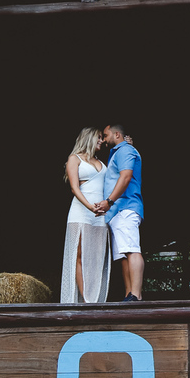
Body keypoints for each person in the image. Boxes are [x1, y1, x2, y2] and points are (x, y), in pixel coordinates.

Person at [93, 124, 144, 301]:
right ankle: (128, 295)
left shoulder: (125, 150)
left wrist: (109, 201)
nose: (104, 139)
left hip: (125, 207)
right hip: (116, 212)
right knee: (123, 255)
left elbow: (126, 176)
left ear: (116, 135)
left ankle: (136, 295)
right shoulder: (117, 152)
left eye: (106, 135)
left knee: (132, 249)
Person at [61, 127, 111, 303]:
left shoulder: (101, 162)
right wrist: (90, 206)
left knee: (97, 257)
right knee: (80, 255)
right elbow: (74, 188)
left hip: (100, 214)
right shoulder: (74, 159)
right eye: (99, 137)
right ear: (89, 138)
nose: (102, 141)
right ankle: (87, 299)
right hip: (81, 212)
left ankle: (95, 297)